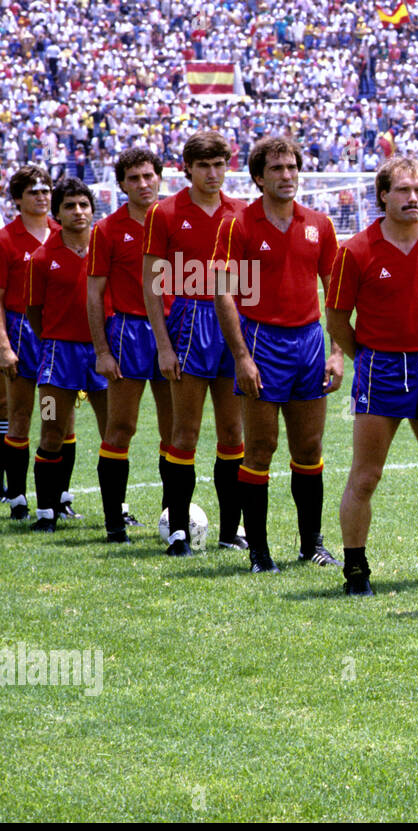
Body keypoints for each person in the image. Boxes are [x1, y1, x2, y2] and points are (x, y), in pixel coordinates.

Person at [326, 156, 418, 596]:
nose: (413, 198)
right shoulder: (356, 250)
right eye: (403, 190)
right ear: (383, 195)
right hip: (380, 368)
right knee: (366, 476)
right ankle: (356, 570)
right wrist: (364, 357)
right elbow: (337, 320)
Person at [213, 135, 344, 573]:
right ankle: (259, 551)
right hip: (261, 342)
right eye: (276, 169)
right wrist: (242, 357)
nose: (286, 176)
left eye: (291, 168)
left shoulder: (319, 224)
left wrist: (337, 352)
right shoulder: (238, 225)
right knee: (262, 447)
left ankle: (312, 544)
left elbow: (338, 294)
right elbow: (224, 294)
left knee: (308, 447)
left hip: (308, 344)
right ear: (258, 177)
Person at [142, 130, 246, 556]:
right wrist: (164, 346)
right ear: (187, 169)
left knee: (233, 431)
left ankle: (230, 531)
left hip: (233, 321)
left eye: (219, 164)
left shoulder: (240, 212)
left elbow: (249, 277)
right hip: (188, 321)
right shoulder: (165, 213)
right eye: (203, 165)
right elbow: (151, 284)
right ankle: (179, 531)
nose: (212, 173)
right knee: (184, 432)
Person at [87, 148, 173, 543]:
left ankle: (173, 521)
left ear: (160, 177)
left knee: (176, 431)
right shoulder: (107, 230)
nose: (143, 184)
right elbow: (94, 293)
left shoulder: (175, 220)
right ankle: (114, 522)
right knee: (121, 427)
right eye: (134, 178)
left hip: (176, 331)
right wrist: (102, 351)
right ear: (121, 184)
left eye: (148, 176)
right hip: (130, 333)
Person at [26, 179, 107, 532]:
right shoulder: (43, 257)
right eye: (70, 206)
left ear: (92, 209)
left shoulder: (107, 250)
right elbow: (33, 311)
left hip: (104, 354)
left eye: (84, 205)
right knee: (51, 428)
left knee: (114, 431)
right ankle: (46, 512)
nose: (78, 212)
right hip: (58, 357)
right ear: (57, 212)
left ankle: (117, 509)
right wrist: (55, 338)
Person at [0, 166, 61, 521]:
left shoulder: (62, 232)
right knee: (20, 415)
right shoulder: (7, 239)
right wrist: (4, 346)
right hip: (22, 334)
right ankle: (18, 496)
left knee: (54, 414)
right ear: (18, 199)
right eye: (34, 191)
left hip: (57, 339)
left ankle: (59, 496)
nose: (42, 196)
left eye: (46, 189)